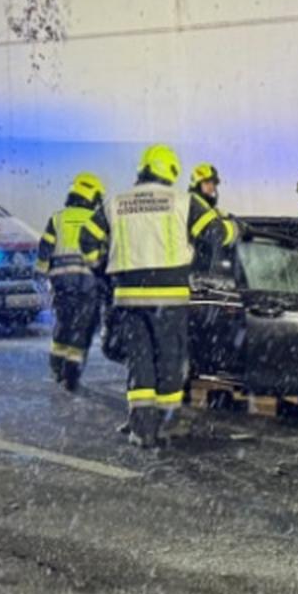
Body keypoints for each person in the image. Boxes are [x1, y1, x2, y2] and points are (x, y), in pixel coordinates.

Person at [81, 145, 194, 450]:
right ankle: (168, 424)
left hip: (129, 298)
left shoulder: (115, 203)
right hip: (169, 300)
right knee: (168, 361)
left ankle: (142, 429)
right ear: (170, 171)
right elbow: (216, 234)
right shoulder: (182, 202)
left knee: (140, 362)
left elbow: (87, 240)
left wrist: (102, 269)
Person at [37, 173, 108, 392]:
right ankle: (72, 373)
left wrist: (41, 274)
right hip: (88, 283)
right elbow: (105, 250)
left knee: (64, 325)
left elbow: (45, 249)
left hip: (62, 284)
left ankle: (57, 365)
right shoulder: (98, 219)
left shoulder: (58, 218)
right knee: (82, 328)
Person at [187, 163, 239, 266]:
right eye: (207, 183)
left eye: (213, 183)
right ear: (196, 184)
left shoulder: (204, 207)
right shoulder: (193, 205)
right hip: (197, 271)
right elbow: (214, 232)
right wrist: (237, 228)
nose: (212, 187)